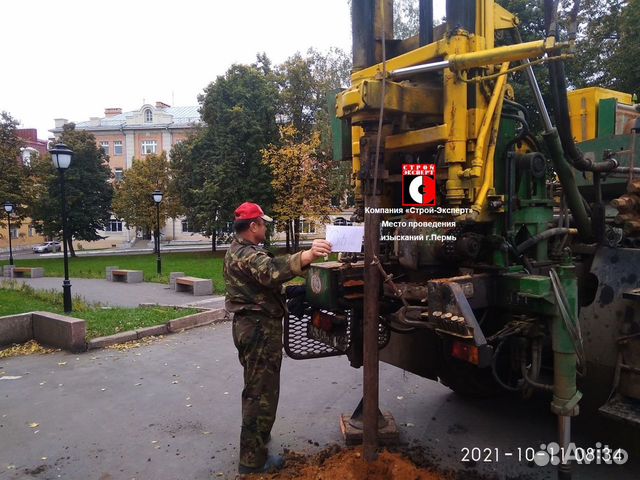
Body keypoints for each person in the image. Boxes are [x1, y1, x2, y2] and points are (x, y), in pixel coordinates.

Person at [223, 202, 332, 474]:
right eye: (263, 223)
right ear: (253, 226)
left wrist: (287, 293)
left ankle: (258, 437)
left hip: (251, 326)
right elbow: (270, 269)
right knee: (260, 393)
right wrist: (306, 256)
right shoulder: (247, 254)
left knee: (257, 387)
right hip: (258, 329)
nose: (266, 228)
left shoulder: (238, 250)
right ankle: (252, 460)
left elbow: (264, 280)